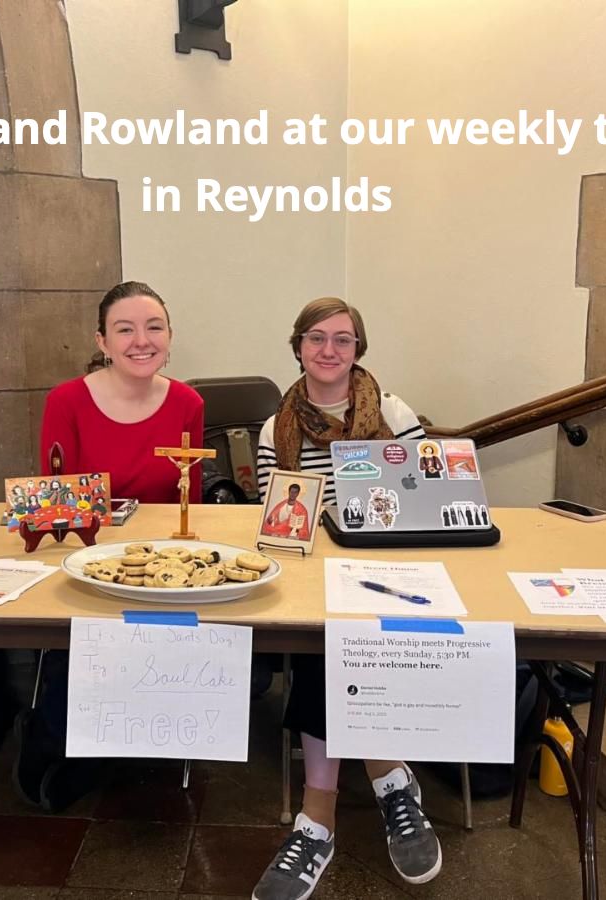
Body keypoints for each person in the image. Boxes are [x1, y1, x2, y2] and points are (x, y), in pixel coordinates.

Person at [254, 297, 441, 900]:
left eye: (343, 339)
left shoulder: (392, 412)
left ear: (359, 349)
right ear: (298, 346)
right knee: (323, 637)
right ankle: (389, 778)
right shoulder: (273, 429)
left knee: (346, 636)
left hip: (390, 572)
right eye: (316, 338)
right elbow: (277, 520)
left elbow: (427, 497)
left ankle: (319, 816)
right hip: (311, 578)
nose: (329, 350)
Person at [14, 280, 204, 812]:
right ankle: (68, 743)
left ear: (169, 337)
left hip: (163, 560)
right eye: (125, 329)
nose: (141, 341)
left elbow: (189, 492)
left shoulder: (188, 402)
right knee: (85, 630)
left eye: (154, 327)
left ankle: (137, 743)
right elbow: (58, 494)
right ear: (102, 341)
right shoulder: (66, 400)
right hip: (87, 557)